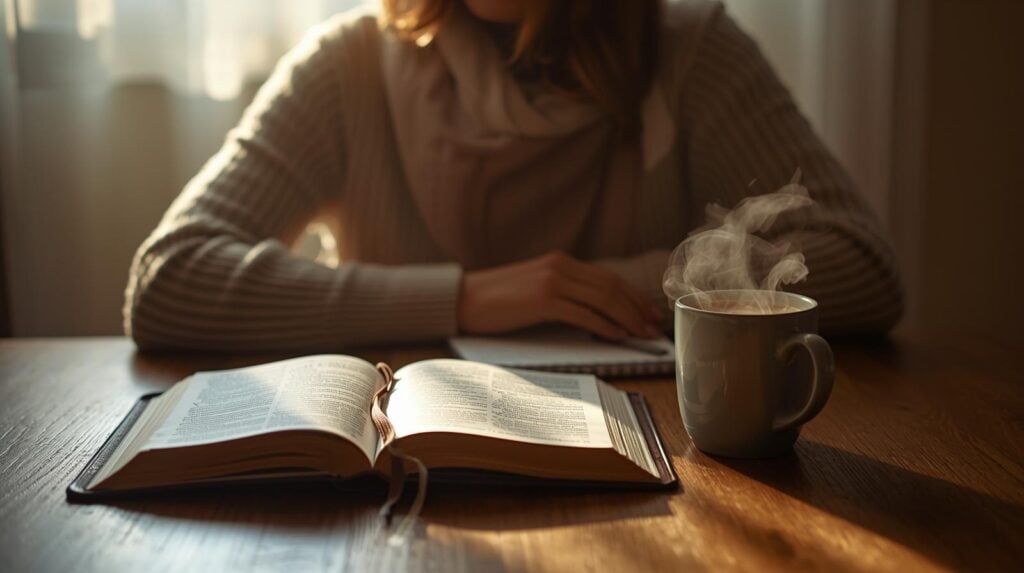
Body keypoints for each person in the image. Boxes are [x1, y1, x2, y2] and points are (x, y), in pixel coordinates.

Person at [124, 0, 903, 352]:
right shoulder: (349, 65)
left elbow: (863, 269)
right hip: (403, 486)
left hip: (669, 478)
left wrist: (608, 286)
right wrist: (470, 296)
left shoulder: (691, 54)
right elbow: (169, 279)